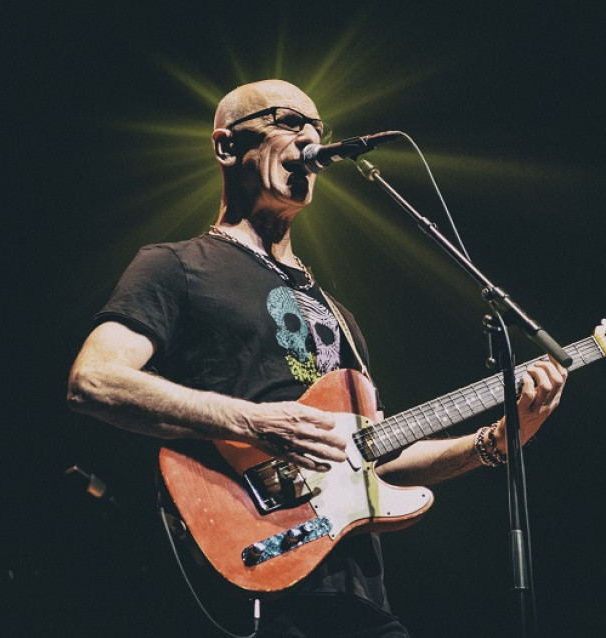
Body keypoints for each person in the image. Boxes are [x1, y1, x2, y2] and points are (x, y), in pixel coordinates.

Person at [67, 79, 567, 637]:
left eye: (318, 128)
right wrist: (255, 420)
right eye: (288, 121)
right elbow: (94, 380)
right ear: (227, 147)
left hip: (357, 592)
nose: (310, 138)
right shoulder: (175, 265)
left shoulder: (339, 315)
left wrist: (495, 442)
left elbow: (373, 456)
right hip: (247, 569)